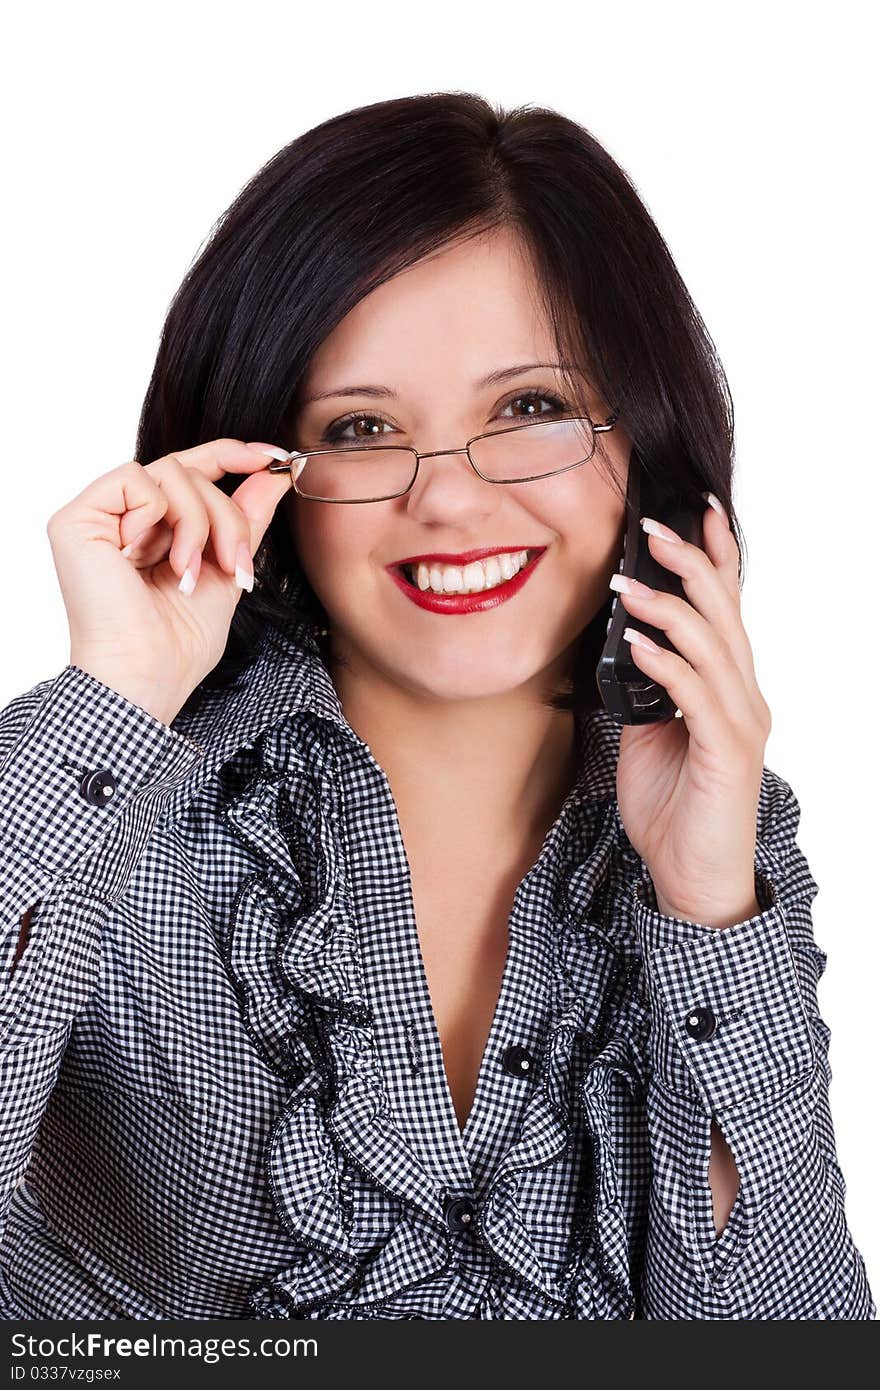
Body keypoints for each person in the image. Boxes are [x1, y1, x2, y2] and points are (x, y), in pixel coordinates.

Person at [0, 91, 873, 1321]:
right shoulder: (91, 793)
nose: (453, 503)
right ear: (260, 474)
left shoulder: (727, 831)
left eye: (529, 409)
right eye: (362, 429)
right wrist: (119, 697)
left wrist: (710, 909)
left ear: (646, 444)